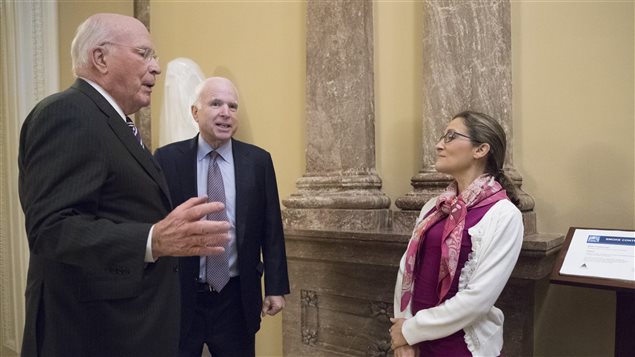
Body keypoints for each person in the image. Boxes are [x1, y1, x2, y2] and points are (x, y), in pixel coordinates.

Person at [18, 13, 230, 357]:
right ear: (100, 58)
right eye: (144, 54)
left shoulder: (114, 122)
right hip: (92, 333)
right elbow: (50, 229)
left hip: (126, 328)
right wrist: (153, 239)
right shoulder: (68, 113)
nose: (157, 67)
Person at [154, 77, 290, 357]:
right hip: (182, 296)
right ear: (195, 112)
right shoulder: (168, 160)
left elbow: (271, 228)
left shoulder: (258, 161)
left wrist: (275, 288)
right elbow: (157, 226)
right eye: (216, 104)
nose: (226, 113)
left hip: (236, 299)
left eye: (232, 106)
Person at [390, 111, 524, 357]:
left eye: (450, 137)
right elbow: (407, 269)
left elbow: (478, 299)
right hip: (417, 343)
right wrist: (403, 331)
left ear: (481, 149)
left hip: (460, 347)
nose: (439, 144)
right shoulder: (434, 206)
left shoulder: (504, 215)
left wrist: (410, 330)